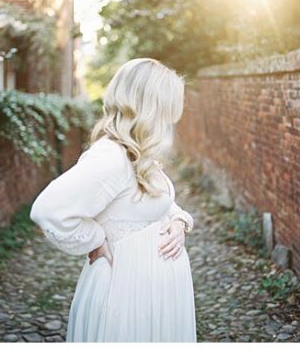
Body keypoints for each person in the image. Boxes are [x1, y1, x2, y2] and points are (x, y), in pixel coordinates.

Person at [30, 58, 196, 342]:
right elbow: (48, 210)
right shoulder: (110, 157)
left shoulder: (137, 153)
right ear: (150, 106)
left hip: (154, 295)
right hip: (126, 295)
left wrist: (180, 221)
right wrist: (94, 239)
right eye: (168, 107)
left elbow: (157, 204)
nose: (171, 118)